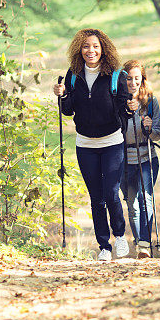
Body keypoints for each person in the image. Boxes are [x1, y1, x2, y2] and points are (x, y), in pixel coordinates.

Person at [53, 28, 130, 262]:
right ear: (80, 49)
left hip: (112, 141)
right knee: (96, 197)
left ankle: (119, 235)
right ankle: (104, 246)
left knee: (111, 194)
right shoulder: (73, 74)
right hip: (85, 143)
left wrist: (131, 108)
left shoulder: (116, 75)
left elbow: (124, 110)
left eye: (95, 46)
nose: (91, 51)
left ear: (103, 48)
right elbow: (67, 112)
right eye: (86, 46)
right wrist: (62, 95)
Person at [121, 59, 160, 259]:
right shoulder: (117, 100)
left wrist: (149, 127)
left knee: (145, 199)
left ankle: (144, 245)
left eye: (137, 78)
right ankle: (140, 243)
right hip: (123, 160)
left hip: (147, 157)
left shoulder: (150, 101)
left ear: (142, 79)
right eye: (129, 78)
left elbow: (157, 135)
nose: (133, 82)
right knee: (132, 204)